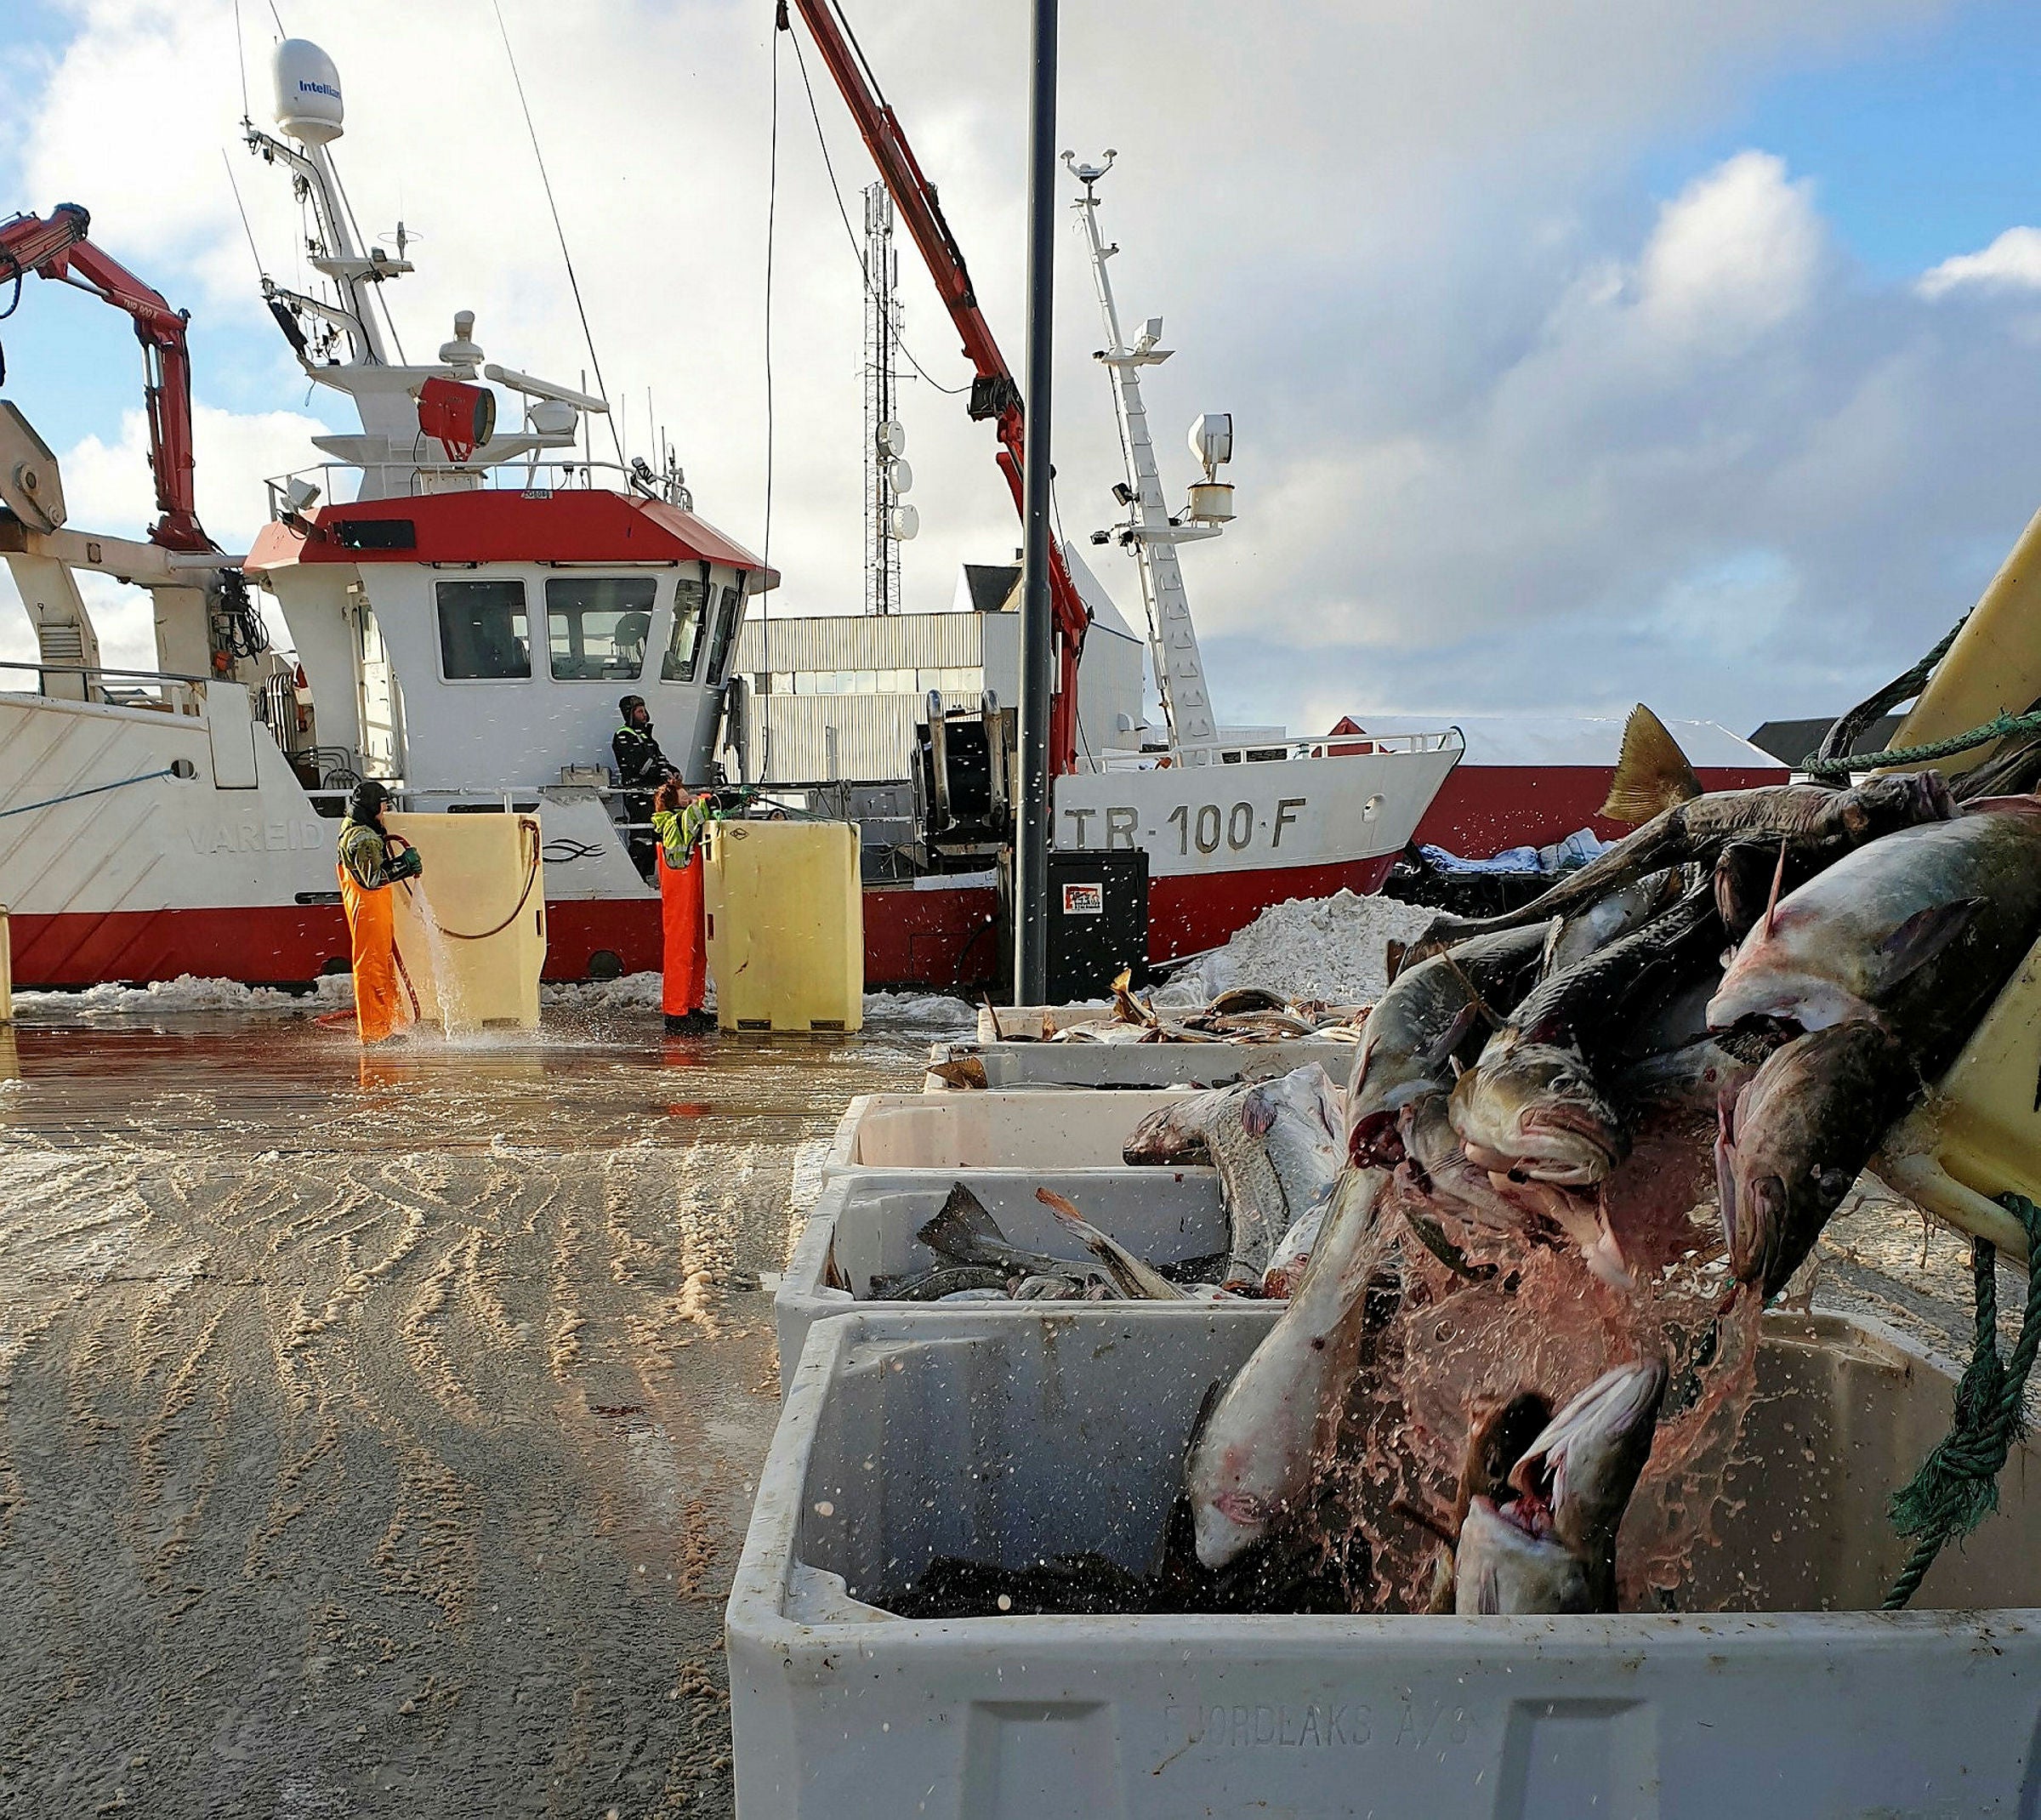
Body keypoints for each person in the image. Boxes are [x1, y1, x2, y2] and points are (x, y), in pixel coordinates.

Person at [336, 780, 423, 1044]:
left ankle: (390, 1023)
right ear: (373, 806)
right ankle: (376, 1032)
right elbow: (373, 879)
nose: (385, 811)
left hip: (371, 910)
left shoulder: (356, 828)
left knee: (382, 966)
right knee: (373, 968)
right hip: (369, 909)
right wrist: (404, 866)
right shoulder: (363, 838)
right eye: (383, 806)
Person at [651, 777, 717, 1035]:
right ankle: (675, 1012)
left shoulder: (681, 819)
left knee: (697, 950)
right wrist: (708, 800)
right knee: (679, 952)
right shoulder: (672, 823)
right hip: (680, 897)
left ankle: (692, 1005)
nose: (689, 797)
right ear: (672, 801)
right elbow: (693, 816)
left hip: (691, 895)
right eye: (684, 795)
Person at [614, 694, 678, 879]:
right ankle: (639, 876)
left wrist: (672, 770)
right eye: (639, 712)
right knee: (642, 837)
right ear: (630, 714)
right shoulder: (623, 735)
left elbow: (659, 758)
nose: (644, 715)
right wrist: (661, 772)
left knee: (657, 833)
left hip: (653, 795)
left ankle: (655, 874)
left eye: (644, 711)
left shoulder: (646, 737)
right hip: (638, 794)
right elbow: (640, 766)